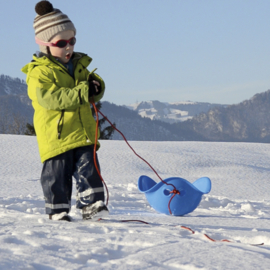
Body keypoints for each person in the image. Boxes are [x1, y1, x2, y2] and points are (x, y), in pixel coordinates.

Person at [21, 0, 108, 222]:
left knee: (89, 167)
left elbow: (89, 87)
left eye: (72, 41)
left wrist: (95, 87)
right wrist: (81, 92)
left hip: (82, 131)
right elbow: (50, 98)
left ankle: (92, 204)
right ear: (45, 45)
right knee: (57, 174)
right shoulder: (39, 73)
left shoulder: (79, 66)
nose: (68, 47)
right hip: (56, 135)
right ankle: (57, 209)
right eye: (61, 42)